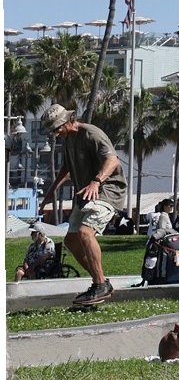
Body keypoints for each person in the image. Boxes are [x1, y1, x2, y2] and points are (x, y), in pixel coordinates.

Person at [39, 104, 127, 305]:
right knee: (71, 241)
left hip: (107, 190)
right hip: (85, 194)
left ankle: (99, 284)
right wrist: (50, 193)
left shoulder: (91, 133)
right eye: (53, 131)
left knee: (85, 233)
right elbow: (66, 168)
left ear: (69, 121)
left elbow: (112, 160)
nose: (55, 134)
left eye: (57, 129)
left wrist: (96, 181)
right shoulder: (68, 140)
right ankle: (101, 281)